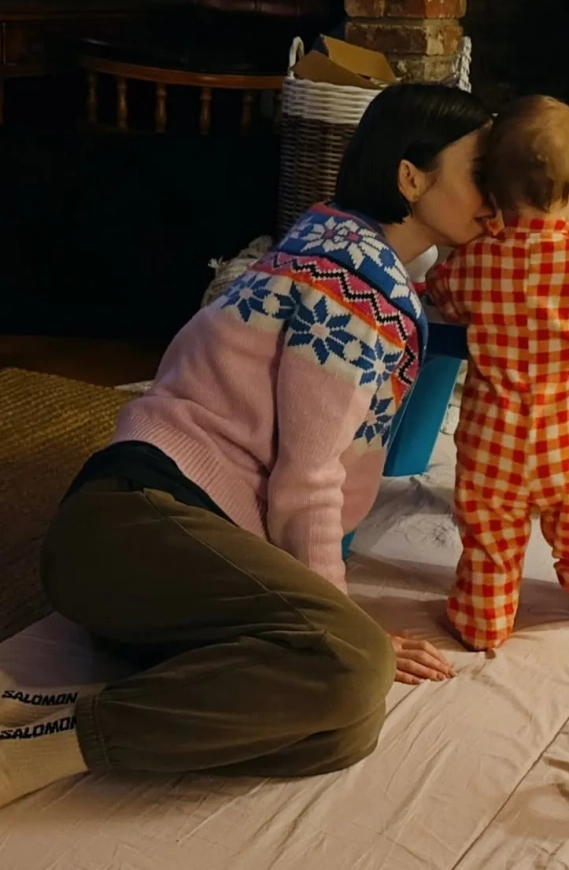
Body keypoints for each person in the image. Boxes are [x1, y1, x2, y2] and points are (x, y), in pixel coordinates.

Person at [0, 83, 495, 809]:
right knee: (353, 664)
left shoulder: (337, 243)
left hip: (158, 556)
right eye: (481, 172)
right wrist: (339, 619)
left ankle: (73, 709)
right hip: (135, 522)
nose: (496, 194)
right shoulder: (356, 287)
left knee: (344, 729)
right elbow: (307, 476)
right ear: (411, 177)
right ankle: (37, 752)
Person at [427, 95, 569, 652]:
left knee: (489, 542)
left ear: (491, 196)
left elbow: (442, 297)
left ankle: (483, 623)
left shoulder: (474, 259)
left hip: (492, 447)